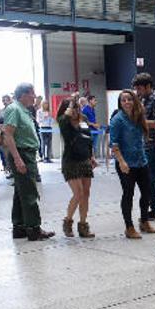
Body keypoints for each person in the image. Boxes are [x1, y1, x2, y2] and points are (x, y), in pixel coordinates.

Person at [3, 83, 54, 241]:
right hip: (22, 154)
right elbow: (8, 135)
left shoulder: (24, 110)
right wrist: (18, 159)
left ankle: (19, 227)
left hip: (28, 154)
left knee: (21, 192)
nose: (34, 96)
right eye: (32, 93)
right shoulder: (14, 109)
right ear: (24, 94)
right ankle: (34, 228)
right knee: (30, 192)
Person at [109, 90, 155, 239]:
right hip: (126, 163)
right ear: (120, 103)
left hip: (141, 161)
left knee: (147, 191)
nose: (127, 102)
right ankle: (129, 227)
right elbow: (114, 144)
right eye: (123, 100)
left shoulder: (138, 117)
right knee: (128, 194)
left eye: (129, 99)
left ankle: (144, 221)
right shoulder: (117, 120)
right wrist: (122, 162)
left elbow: (148, 128)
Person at [57, 95, 97, 238]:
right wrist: (71, 104)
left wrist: (91, 156)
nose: (75, 110)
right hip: (71, 161)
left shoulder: (84, 119)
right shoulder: (63, 121)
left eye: (76, 107)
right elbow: (64, 118)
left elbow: (88, 139)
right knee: (78, 193)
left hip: (84, 159)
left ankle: (83, 225)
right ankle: (67, 221)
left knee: (86, 193)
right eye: (72, 107)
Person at [134, 73, 155, 219]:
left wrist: (139, 121)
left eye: (139, 88)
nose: (137, 92)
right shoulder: (140, 100)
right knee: (148, 180)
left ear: (148, 86)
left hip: (154, 145)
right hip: (143, 145)